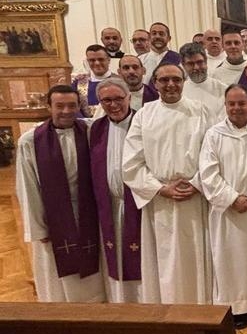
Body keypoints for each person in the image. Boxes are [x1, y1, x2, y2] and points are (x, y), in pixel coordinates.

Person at [122, 63, 212, 304]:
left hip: (194, 196)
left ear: (184, 82)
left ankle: (202, 308)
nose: (171, 84)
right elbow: (131, 162)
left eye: (176, 79)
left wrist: (197, 183)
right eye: (164, 80)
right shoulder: (144, 114)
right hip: (160, 199)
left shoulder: (201, 111)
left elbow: (213, 154)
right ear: (155, 83)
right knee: (164, 260)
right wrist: (160, 188)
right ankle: (168, 310)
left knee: (196, 257)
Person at [17, 85, 106, 303]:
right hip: (53, 218)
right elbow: (27, 187)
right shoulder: (30, 141)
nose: (66, 111)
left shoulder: (89, 131)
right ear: (49, 107)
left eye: (72, 106)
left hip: (88, 212)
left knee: (93, 270)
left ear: (79, 107)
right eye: (60, 106)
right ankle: (61, 309)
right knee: (56, 269)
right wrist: (38, 227)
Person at [200, 84, 247, 329]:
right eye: (231, 104)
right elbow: (208, 173)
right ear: (225, 106)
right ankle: (235, 309)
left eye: (241, 103)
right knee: (229, 259)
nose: (236, 108)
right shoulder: (214, 134)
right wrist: (232, 198)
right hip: (228, 213)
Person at [89, 77, 148, 303]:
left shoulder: (142, 124)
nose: (113, 105)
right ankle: (120, 302)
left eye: (118, 99)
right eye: (106, 100)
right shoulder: (96, 129)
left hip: (138, 203)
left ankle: (145, 301)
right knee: (114, 255)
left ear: (129, 97)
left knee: (141, 256)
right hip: (111, 205)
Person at [179, 42, 227, 122]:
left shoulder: (223, 89)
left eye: (199, 62)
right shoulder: (179, 91)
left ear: (206, 61)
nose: (196, 67)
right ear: (183, 65)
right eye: (190, 64)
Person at [73, 44, 116, 117]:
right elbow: (73, 107)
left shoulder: (120, 81)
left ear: (108, 60)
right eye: (92, 60)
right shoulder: (78, 82)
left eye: (101, 59)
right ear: (87, 61)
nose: (97, 63)